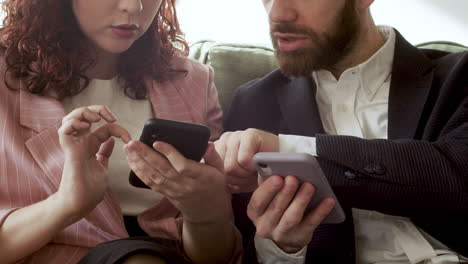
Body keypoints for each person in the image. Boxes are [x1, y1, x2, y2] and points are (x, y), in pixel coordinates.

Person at [215, 0, 468, 263]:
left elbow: (458, 172)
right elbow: (247, 245)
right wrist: (283, 248)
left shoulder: (460, 75)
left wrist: (288, 150)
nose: (278, 14)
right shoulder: (253, 102)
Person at [0, 0, 241, 263]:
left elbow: (215, 258)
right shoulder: (5, 78)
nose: (133, 6)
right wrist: (67, 203)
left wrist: (204, 214)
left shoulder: (194, 81)